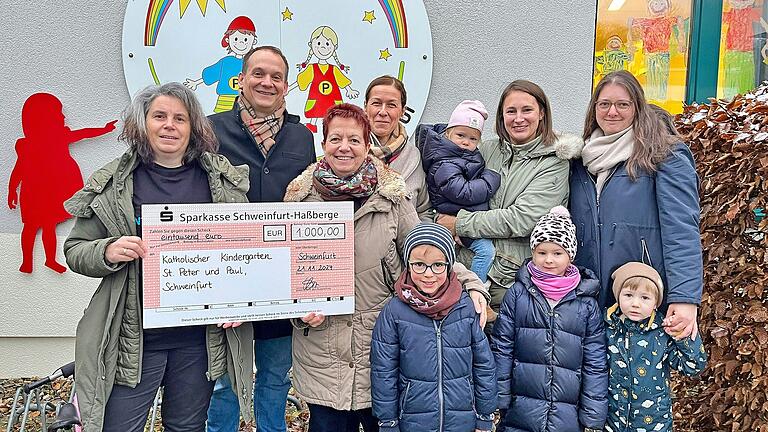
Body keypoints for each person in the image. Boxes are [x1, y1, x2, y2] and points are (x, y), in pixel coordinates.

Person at [283, 103, 489, 432]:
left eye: (354, 139)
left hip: (378, 345)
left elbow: (425, 250)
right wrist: (299, 308)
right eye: (336, 138)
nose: (345, 147)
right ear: (323, 144)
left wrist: (471, 283)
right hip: (322, 348)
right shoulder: (299, 200)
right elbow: (285, 272)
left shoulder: (391, 198)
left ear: (367, 145)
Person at [63, 82, 253, 432]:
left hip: (198, 342)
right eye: (160, 116)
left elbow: (241, 255)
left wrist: (241, 302)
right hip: (133, 340)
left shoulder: (220, 182)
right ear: (142, 123)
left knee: (186, 427)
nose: (170, 125)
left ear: (193, 127)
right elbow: (75, 249)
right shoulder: (114, 183)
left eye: (180, 118)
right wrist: (107, 250)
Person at [205, 46, 316, 432]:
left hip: (281, 282)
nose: (267, 82)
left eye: (276, 77)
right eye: (258, 74)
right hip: (227, 277)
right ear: (241, 79)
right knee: (224, 381)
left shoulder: (302, 138)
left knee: (275, 376)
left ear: (287, 86)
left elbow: (313, 200)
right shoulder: (211, 130)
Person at [570, 70, 702, 340]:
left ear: (637, 107)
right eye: (604, 104)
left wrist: (685, 298)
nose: (612, 112)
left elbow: (682, 230)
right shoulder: (580, 159)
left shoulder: (664, 154)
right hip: (586, 296)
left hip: (639, 298)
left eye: (623, 104)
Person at [436, 80, 584, 317]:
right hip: (463, 272)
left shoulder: (553, 162)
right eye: (511, 111)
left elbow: (522, 219)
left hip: (509, 284)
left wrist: (459, 223)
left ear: (542, 114)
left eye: (527, 110)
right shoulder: (487, 150)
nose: (518, 118)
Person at [370, 223, 497, 432]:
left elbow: (483, 365)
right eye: (419, 265)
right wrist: (387, 422)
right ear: (408, 265)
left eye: (438, 265)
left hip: (462, 418)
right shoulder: (395, 312)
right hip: (413, 419)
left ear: (449, 265)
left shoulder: (465, 307)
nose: (428, 274)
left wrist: (485, 415)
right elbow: (384, 372)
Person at [492, 206, 608, 432]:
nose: (549, 260)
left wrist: (593, 418)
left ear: (570, 256)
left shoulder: (586, 302)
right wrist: (498, 401)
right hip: (521, 410)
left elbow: (595, 363)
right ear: (533, 252)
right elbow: (502, 348)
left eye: (557, 253)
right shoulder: (518, 294)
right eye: (542, 252)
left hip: (566, 415)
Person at [8, 93, 116, 273]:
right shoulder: (26, 145)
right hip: (34, 191)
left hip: (50, 190)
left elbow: (83, 134)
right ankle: (27, 262)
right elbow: (18, 170)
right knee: (31, 227)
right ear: (44, 118)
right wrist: (12, 191)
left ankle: (50, 260)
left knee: (48, 225)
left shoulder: (59, 136)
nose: (64, 117)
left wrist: (103, 130)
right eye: (59, 113)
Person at [605, 262, 707, 432]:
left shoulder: (661, 333)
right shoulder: (607, 327)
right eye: (628, 295)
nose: (635, 304)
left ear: (656, 303)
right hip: (613, 421)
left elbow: (694, 366)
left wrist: (680, 335)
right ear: (618, 296)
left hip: (654, 422)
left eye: (645, 298)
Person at [415, 100, 500, 283]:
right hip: (452, 218)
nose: (466, 142)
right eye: (460, 135)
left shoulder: (464, 155)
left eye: (473, 139)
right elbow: (462, 192)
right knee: (485, 252)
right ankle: (476, 288)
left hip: (464, 217)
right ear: (448, 133)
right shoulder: (445, 161)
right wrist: (490, 179)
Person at [363, 75, 432, 220]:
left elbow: (424, 211)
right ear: (365, 107)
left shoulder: (414, 156)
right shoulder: (348, 152)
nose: (382, 112)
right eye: (376, 103)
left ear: (402, 111)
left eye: (391, 105)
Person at [289, 25, 360, 133]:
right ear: (311, 45)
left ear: (334, 47)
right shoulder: (312, 68)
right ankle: (312, 126)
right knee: (315, 113)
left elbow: (342, 81)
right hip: (317, 99)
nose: (323, 47)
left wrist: (349, 89)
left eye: (327, 44)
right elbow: (301, 81)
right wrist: (289, 88)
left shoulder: (333, 69)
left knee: (334, 115)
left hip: (332, 98)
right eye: (318, 43)